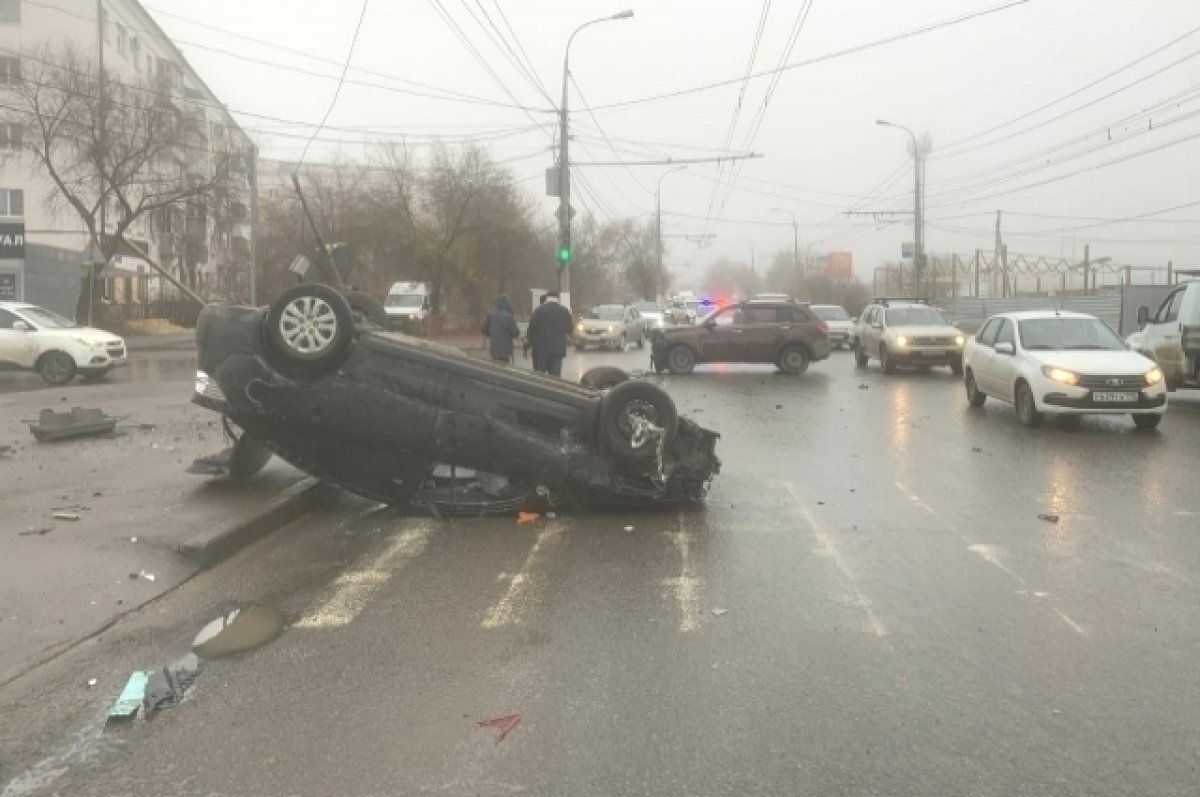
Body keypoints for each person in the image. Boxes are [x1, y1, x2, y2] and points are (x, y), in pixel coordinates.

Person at [526, 291, 573, 377]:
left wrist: (528, 344)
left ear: (547, 298)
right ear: (557, 298)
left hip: (541, 349)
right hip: (558, 350)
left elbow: (531, 329)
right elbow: (570, 329)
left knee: (540, 377)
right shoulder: (565, 311)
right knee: (555, 377)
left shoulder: (538, 310)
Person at [481, 294, 520, 364]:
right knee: (504, 368)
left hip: (494, 348)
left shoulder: (491, 315)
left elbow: (484, 330)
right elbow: (516, 333)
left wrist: (492, 334)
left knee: (495, 366)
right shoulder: (509, 316)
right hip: (505, 349)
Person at [524, 293, 549, 370]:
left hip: (538, 348)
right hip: (553, 349)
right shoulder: (557, 312)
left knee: (538, 371)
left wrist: (526, 347)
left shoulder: (536, 312)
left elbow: (530, 331)